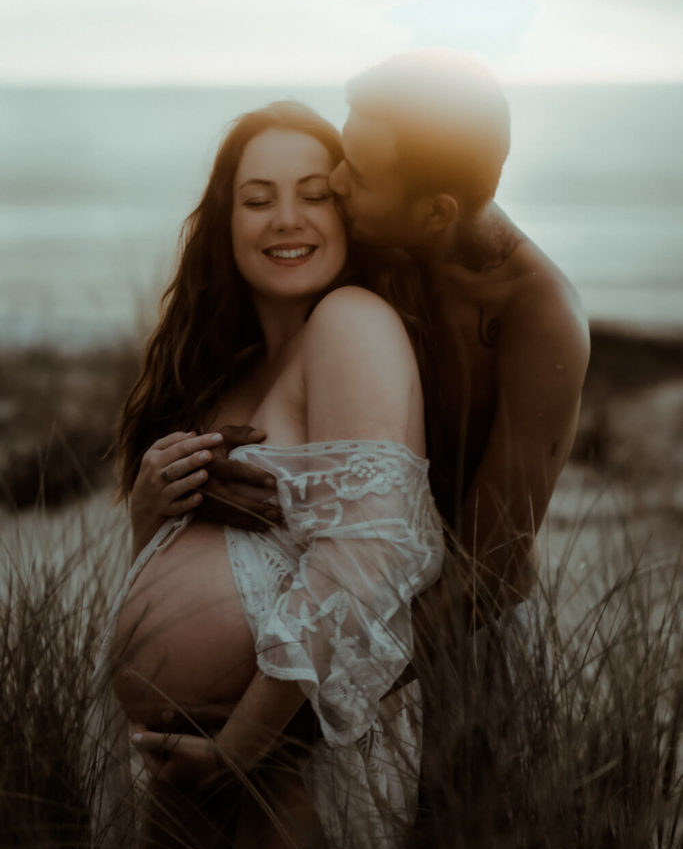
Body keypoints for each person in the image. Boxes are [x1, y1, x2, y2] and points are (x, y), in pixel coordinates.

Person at [95, 101, 444, 849]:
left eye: (313, 193)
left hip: (283, 756)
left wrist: (240, 749)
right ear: (226, 220)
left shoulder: (350, 321)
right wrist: (148, 510)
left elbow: (363, 555)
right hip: (187, 758)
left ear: (345, 212)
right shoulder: (229, 371)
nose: (285, 219)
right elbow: (192, 558)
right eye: (257, 199)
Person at [132, 49, 590, 624]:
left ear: (434, 213)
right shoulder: (378, 232)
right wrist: (221, 474)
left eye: (358, 176)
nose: (337, 182)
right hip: (335, 614)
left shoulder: (541, 319)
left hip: (449, 637)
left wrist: (318, 694)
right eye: (344, 157)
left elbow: (492, 568)